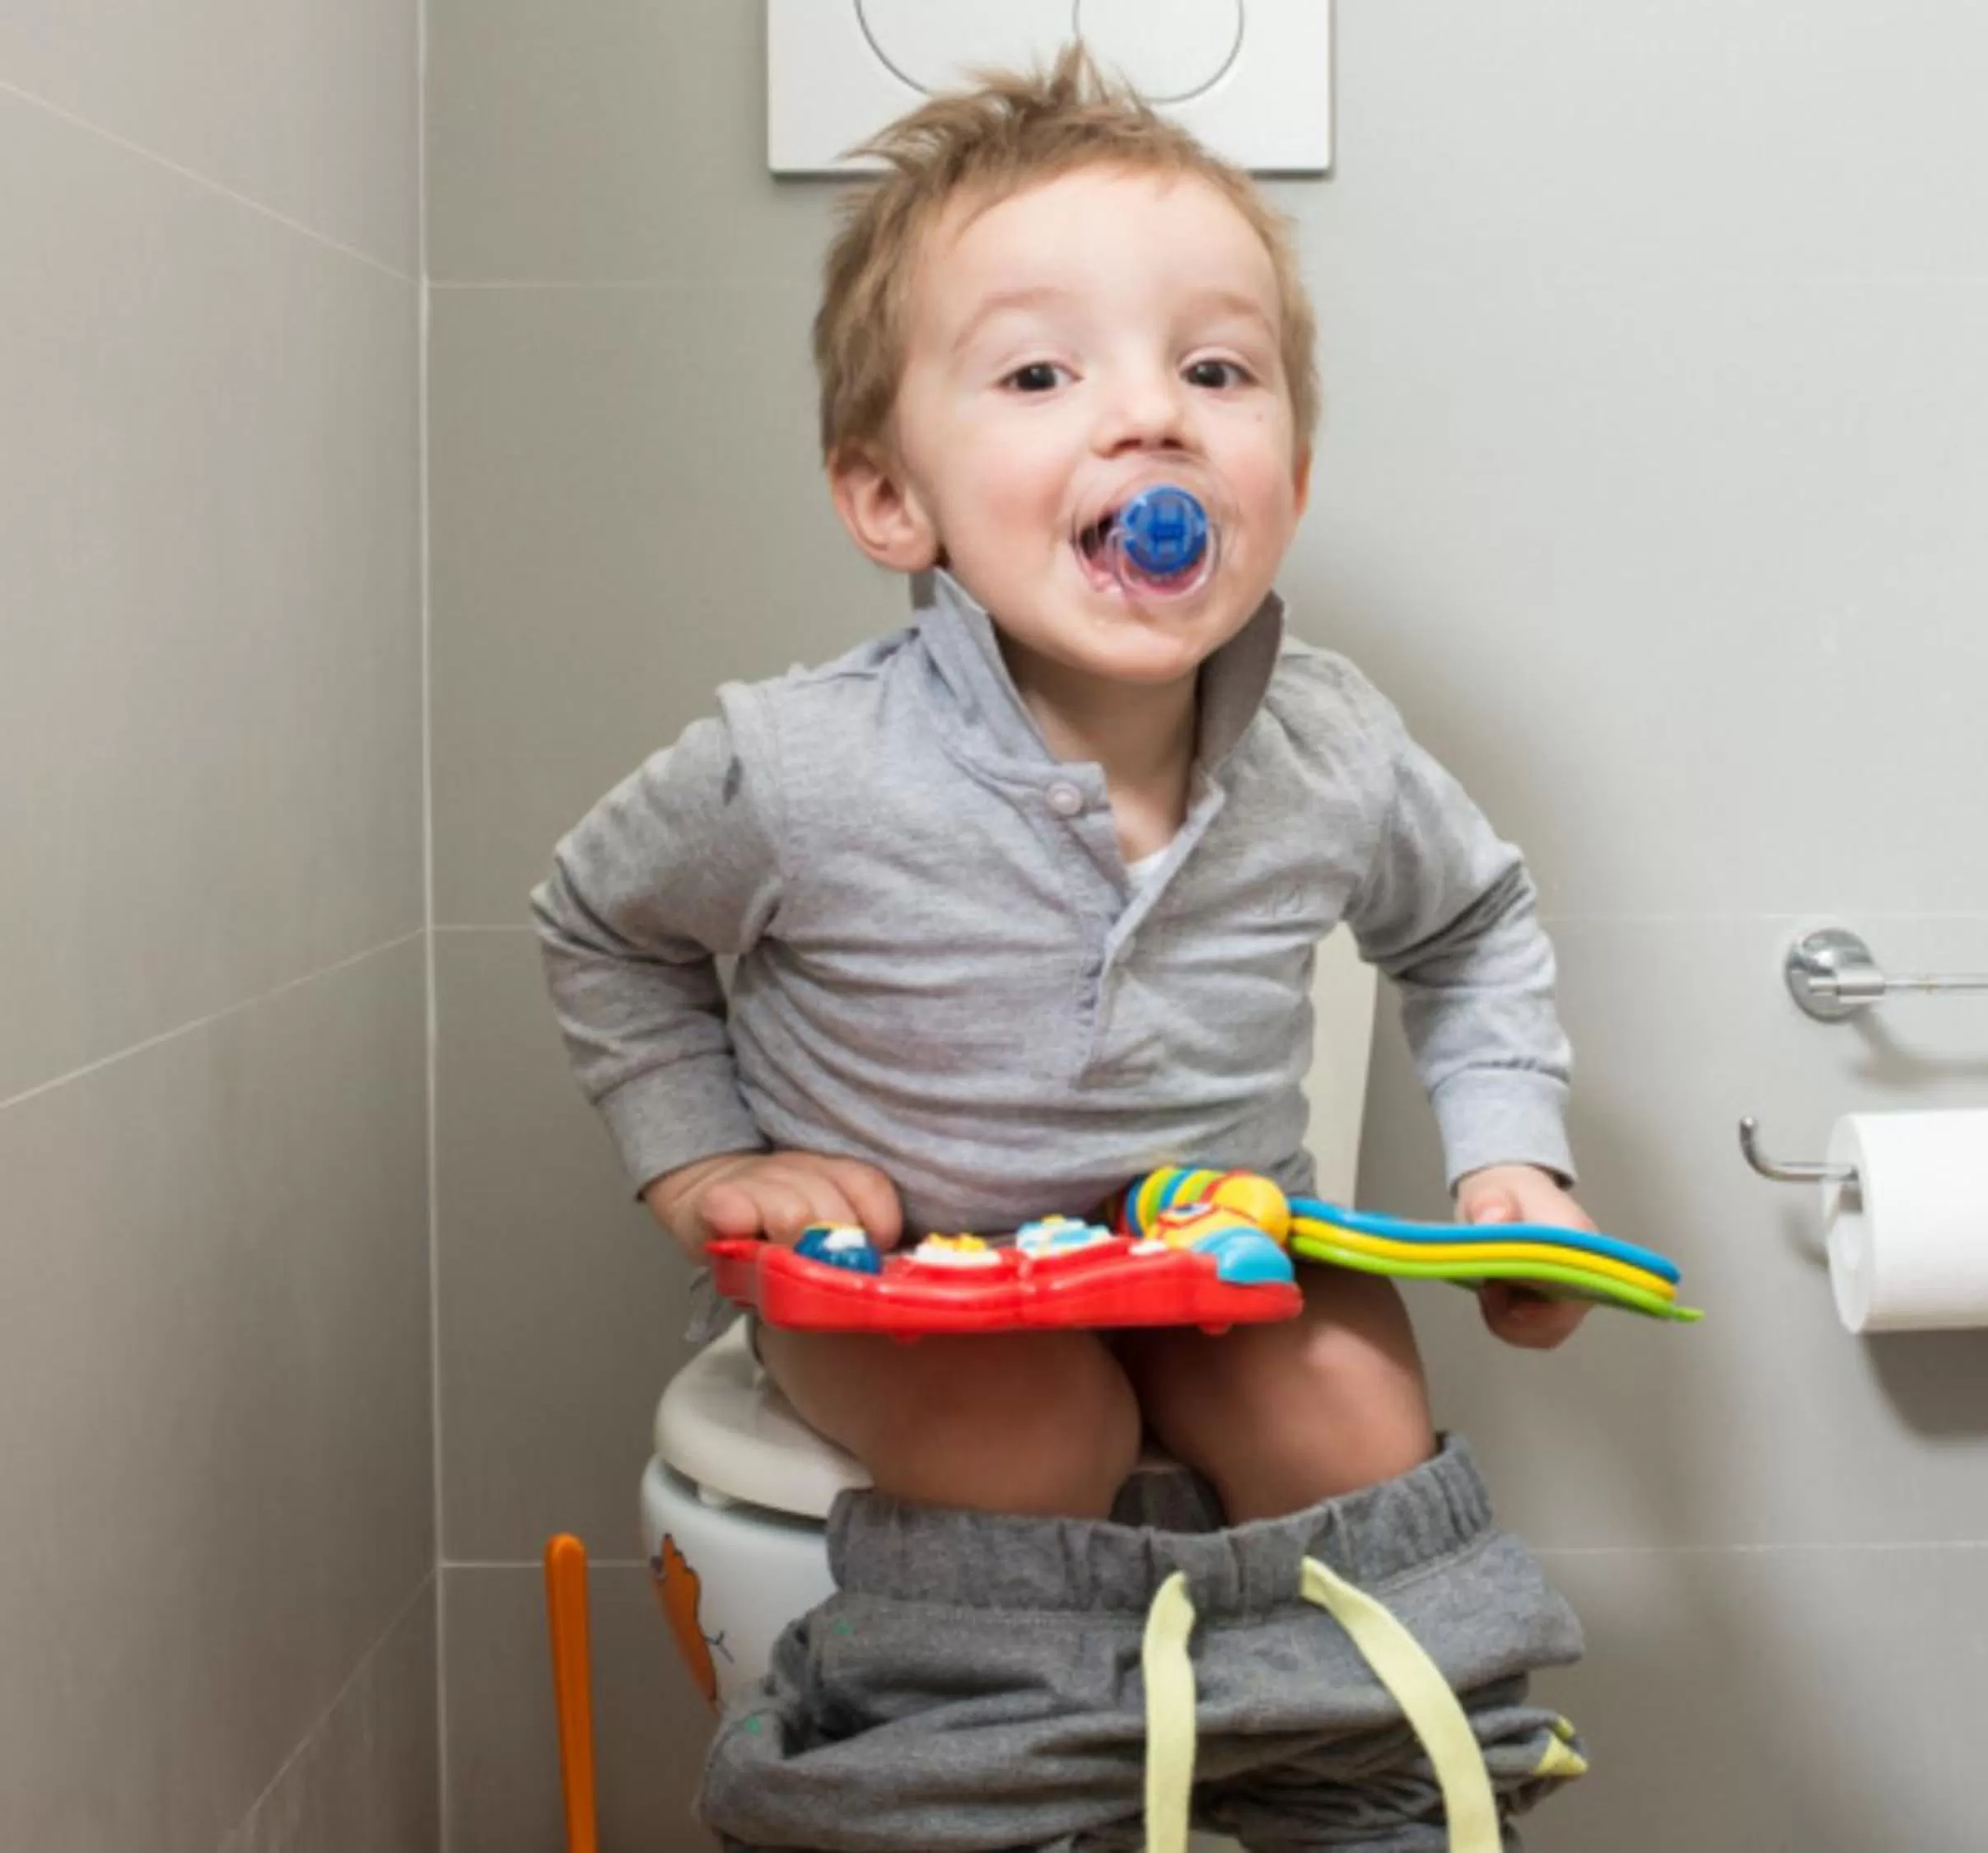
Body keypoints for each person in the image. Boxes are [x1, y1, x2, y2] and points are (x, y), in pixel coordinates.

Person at [534, 49, 1597, 1851]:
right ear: (894, 501)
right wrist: (711, 1160)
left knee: (1348, 1401)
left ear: (1293, 473)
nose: (1152, 420)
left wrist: (1517, 1165)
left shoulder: (1333, 746)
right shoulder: (798, 766)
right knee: (1035, 1429)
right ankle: (1005, 1799)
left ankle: (1364, 1778)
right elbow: (598, 922)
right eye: (1041, 373)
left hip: (1204, 1240)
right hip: (917, 1276)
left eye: (1215, 371)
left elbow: (1475, 923)